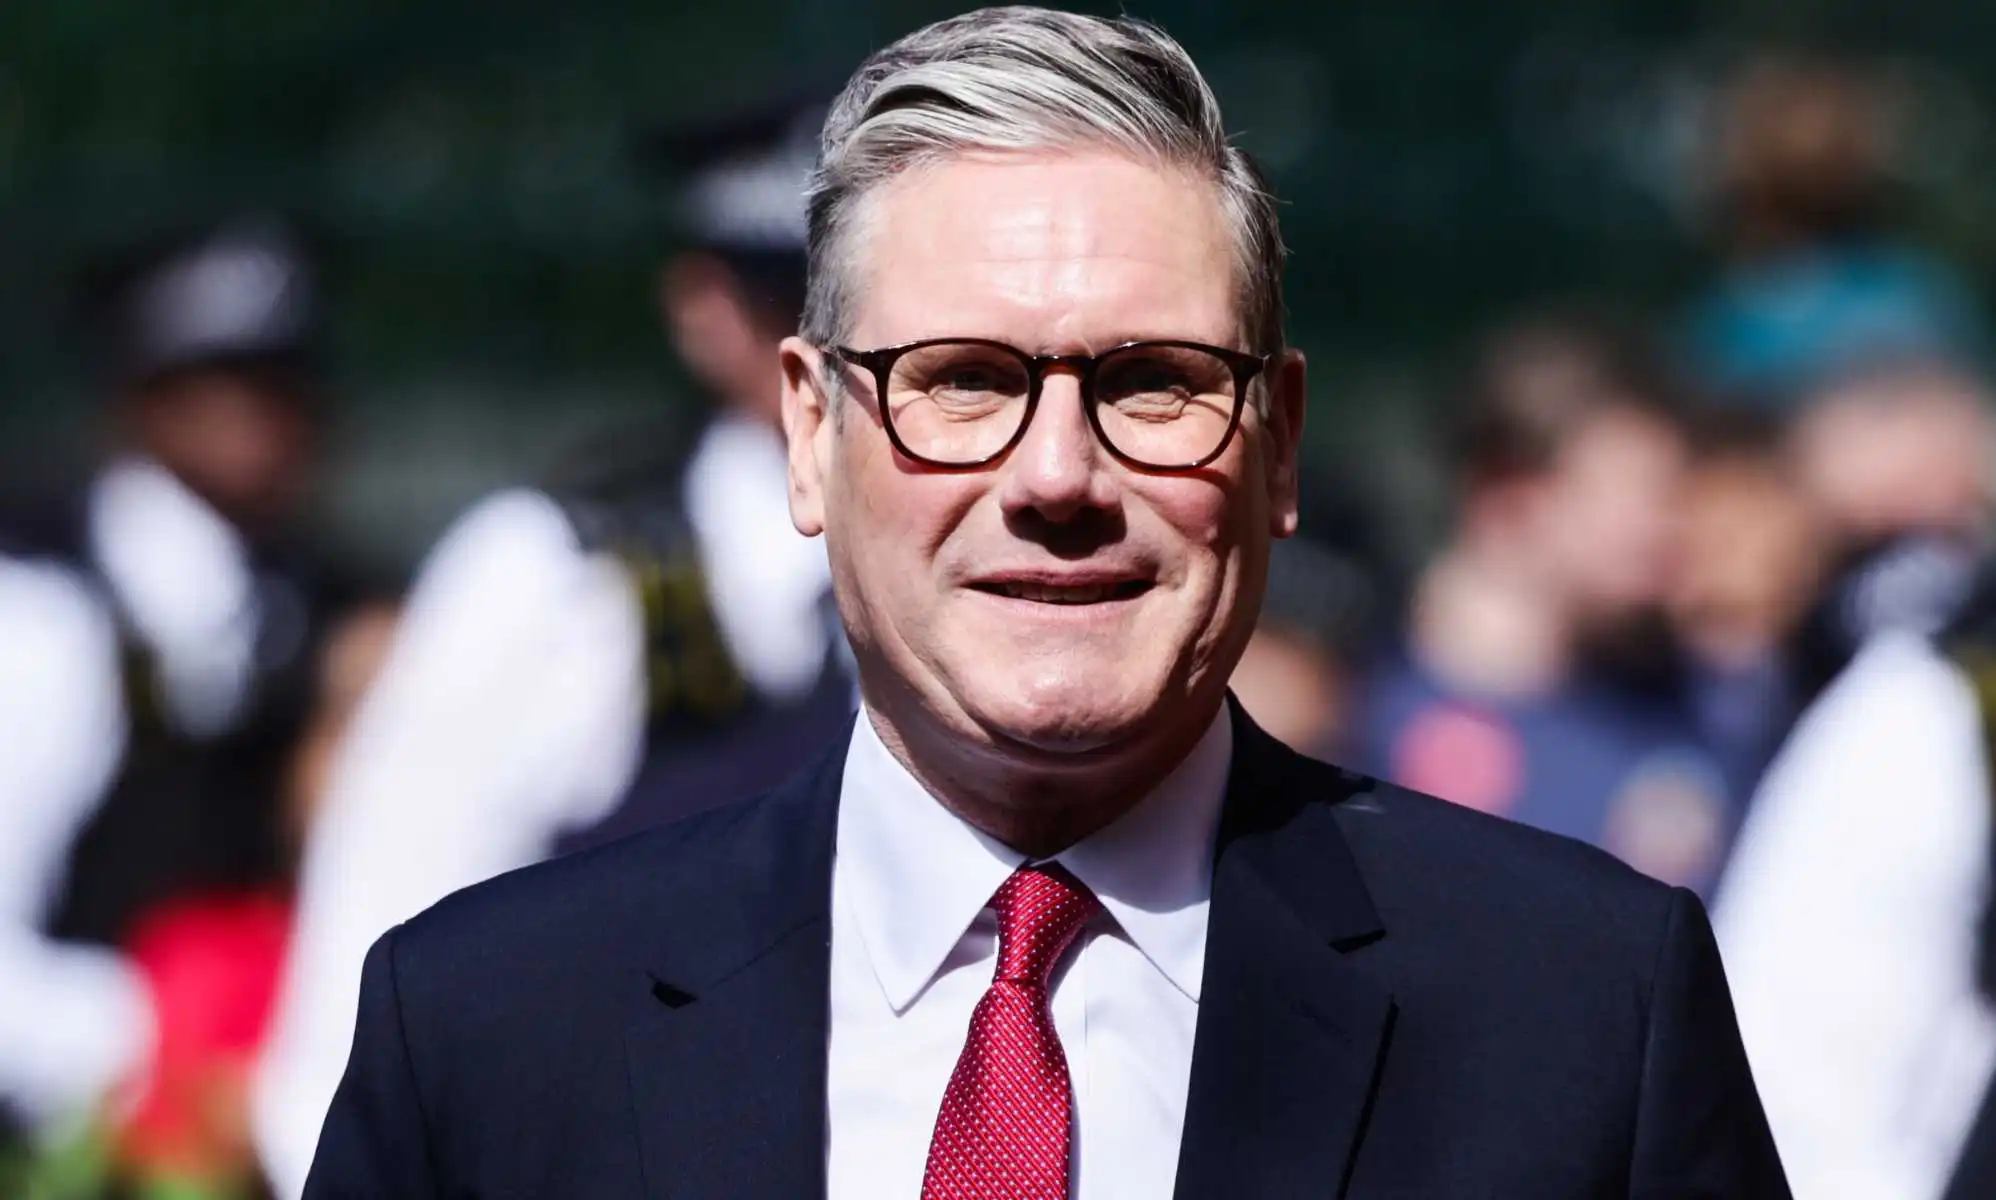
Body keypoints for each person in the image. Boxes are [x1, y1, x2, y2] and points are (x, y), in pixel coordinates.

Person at [304, 9, 1787, 1197]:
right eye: (962, 383)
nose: (1058, 475)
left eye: (1154, 385)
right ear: (809, 435)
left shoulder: (1583, 1014)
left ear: (1277, 445)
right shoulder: (492, 1034)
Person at [249, 91, 856, 1197]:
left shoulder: (1018, 565)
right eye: (791, 296)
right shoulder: (551, 577)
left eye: (863, 298)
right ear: (703, 306)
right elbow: (369, 986)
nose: (827, 344)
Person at [0, 216, 352, 1147]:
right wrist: (167, 1041)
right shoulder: (41, 619)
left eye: (284, 388)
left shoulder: (332, 608)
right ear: (141, 402)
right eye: (222, 387)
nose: (264, 422)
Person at [1351, 317, 1737, 895]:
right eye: (1643, 492)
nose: (1670, 529)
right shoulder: (1351, 715)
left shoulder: (1707, 710)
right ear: (1510, 494)